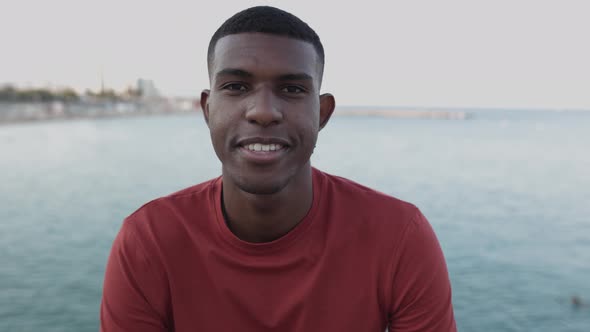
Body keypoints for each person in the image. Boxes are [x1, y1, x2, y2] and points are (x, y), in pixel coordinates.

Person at [100, 6, 456, 332]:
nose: (264, 111)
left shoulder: (398, 238)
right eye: (236, 86)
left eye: (291, 88)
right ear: (207, 109)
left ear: (323, 113)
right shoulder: (149, 242)